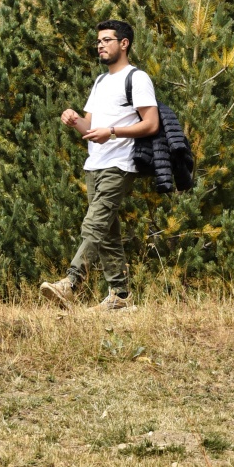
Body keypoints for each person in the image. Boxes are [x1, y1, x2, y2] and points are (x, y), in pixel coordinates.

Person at [40, 19, 159, 311]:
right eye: (98, 41)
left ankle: (71, 282)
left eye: (107, 40)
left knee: (94, 224)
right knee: (106, 231)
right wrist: (73, 119)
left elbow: (151, 124)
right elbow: (90, 126)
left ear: (124, 43)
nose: (100, 45)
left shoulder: (137, 78)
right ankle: (120, 297)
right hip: (95, 163)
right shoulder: (101, 81)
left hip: (121, 163)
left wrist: (114, 132)